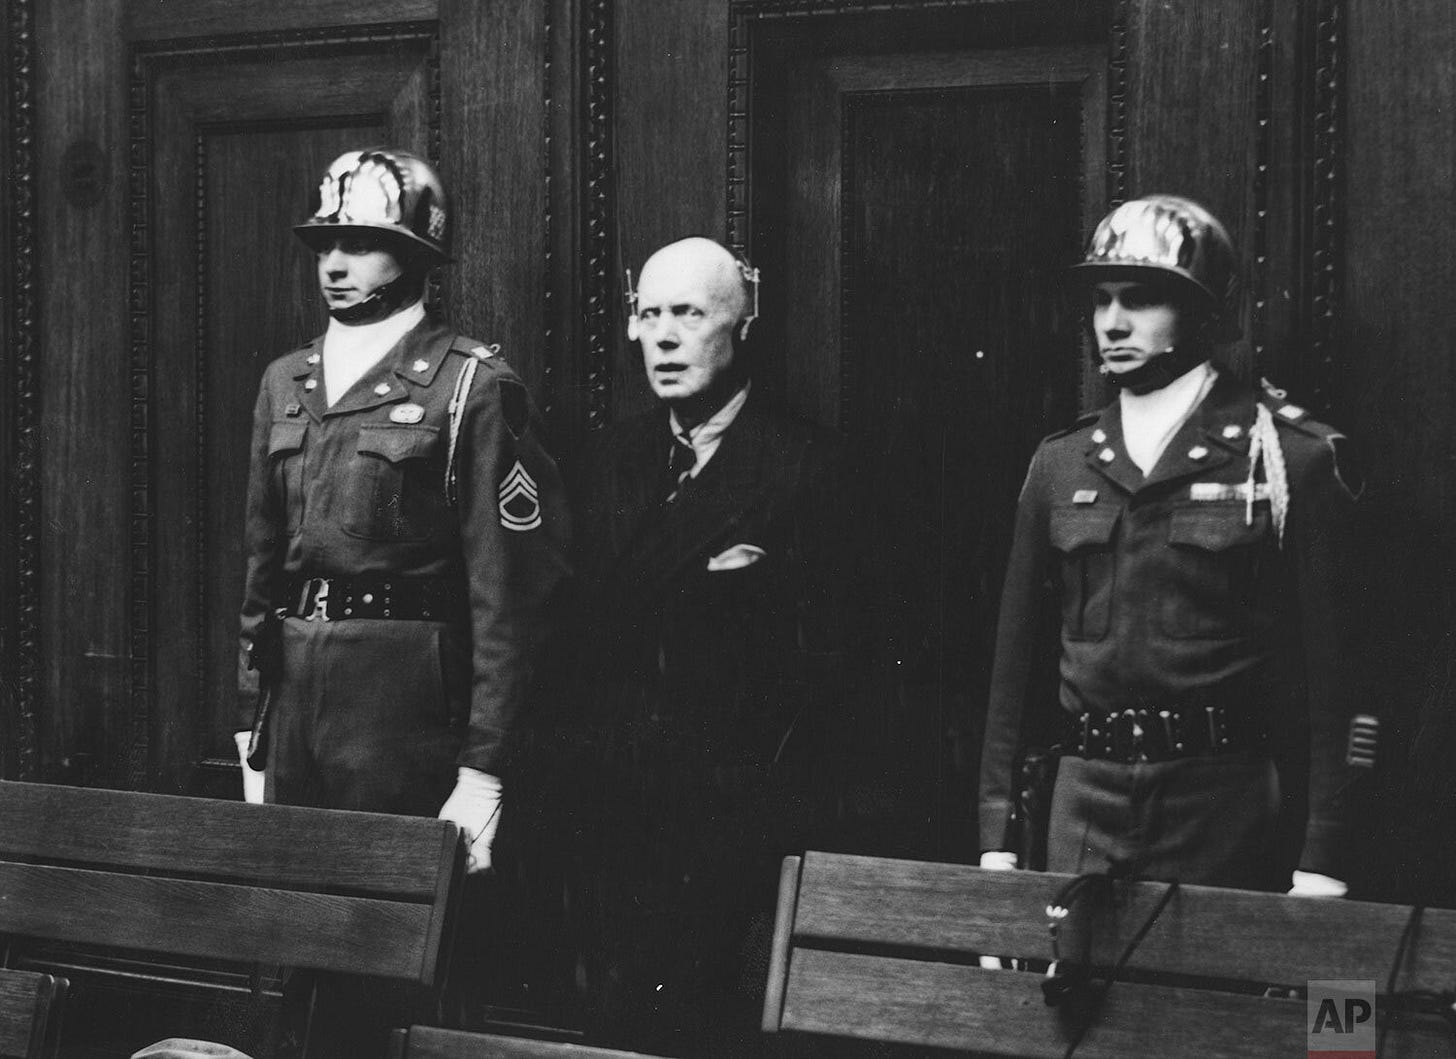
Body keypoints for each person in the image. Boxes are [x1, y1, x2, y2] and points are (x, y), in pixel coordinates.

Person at [234, 147, 570, 1052]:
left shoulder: (470, 385)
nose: (336, 263)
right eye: (326, 243)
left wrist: (484, 769)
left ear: (417, 254)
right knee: (302, 957)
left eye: (362, 243)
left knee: (395, 973)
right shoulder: (286, 383)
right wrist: (252, 726)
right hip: (299, 708)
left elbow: (510, 598)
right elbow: (262, 570)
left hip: (405, 712)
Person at [978, 195, 1363, 897]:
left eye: (1142, 299)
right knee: (1072, 1007)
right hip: (1083, 813)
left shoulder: (1287, 457)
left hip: (1223, 812)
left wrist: (1323, 858)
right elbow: (1015, 676)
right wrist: (997, 846)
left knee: (1220, 1008)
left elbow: (1339, 683)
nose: (1113, 322)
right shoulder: (1059, 465)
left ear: (1202, 312)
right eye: (1101, 300)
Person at [560, 236, 849, 1054]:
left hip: (729, 847)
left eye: (689, 313)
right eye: (649, 314)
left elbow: (831, 681)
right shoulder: (604, 461)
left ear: (741, 324)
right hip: (608, 830)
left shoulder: (807, 469)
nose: (664, 336)